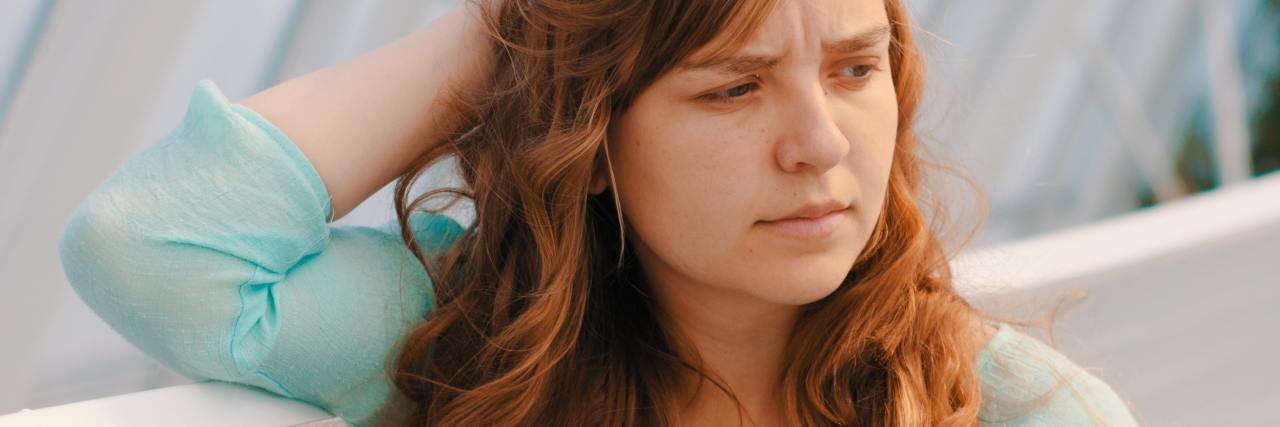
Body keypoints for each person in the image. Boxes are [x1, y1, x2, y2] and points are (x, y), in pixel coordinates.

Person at [59, 0, 1139, 425]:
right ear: (587, 141)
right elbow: (148, 246)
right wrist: (510, 28)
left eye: (856, 70)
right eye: (733, 87)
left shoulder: (1002, 409)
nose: (819, 143)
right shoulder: (471, 344)